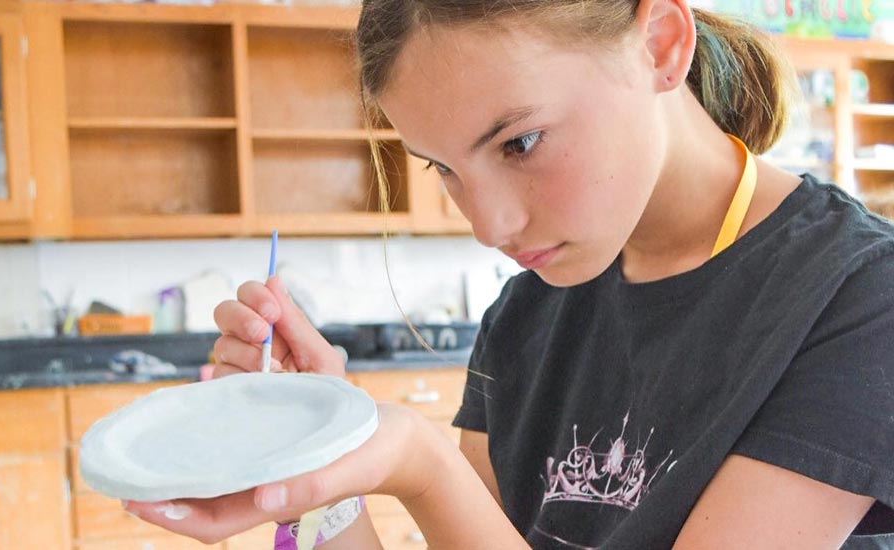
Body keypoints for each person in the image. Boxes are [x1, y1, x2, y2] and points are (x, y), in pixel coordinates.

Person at [123, 0, 894, 548]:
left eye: (520, 144)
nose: (488, 226)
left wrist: (423, 468)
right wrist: (313, 453)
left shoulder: (858, 299)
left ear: (660, 44)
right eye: (443, 169)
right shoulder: (528, 314)